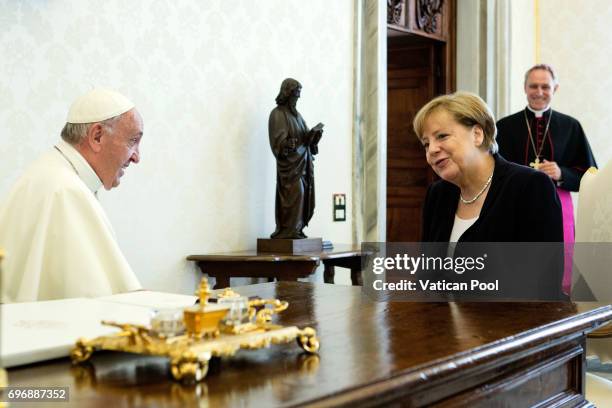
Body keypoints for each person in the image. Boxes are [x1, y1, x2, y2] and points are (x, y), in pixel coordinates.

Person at [413, 92, 565, 299]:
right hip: (445, 326)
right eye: (426, 143)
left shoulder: (530, 186)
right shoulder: (437, 194)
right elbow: (426, 279)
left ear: (477, 134)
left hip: (512, 325)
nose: (432, 150)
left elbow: (541, 284)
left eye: (442, 136)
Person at [0, 88, 143, 302]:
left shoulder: (48, 172)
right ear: (97, 136)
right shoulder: (66, 190)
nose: (136, 157)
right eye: (133, 141)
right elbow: (93, 304)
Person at [268, 78, 323, 239]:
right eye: (294, 95)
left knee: (304, 194)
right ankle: (288, 230)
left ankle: (297, 229)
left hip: (303, 164)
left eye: (298, 96)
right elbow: (278, 143)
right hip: (290, 168)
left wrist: (314, 137)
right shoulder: (277, 114)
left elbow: (305, 138)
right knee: (295, 193)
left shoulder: (298, 116)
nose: (297, 99)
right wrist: (287, 144)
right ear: (287, 93)